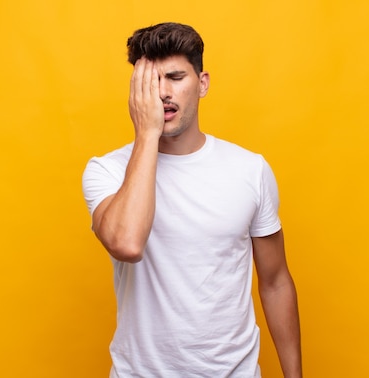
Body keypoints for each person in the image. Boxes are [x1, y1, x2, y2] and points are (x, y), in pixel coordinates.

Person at [82, 22, 302, 377]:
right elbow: (127, 243)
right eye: (151, 82)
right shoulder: (106, 171)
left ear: (202, 84)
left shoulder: (251, 170)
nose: (163, 92)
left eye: (175, 77)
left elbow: (275, 281)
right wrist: (147, 133)